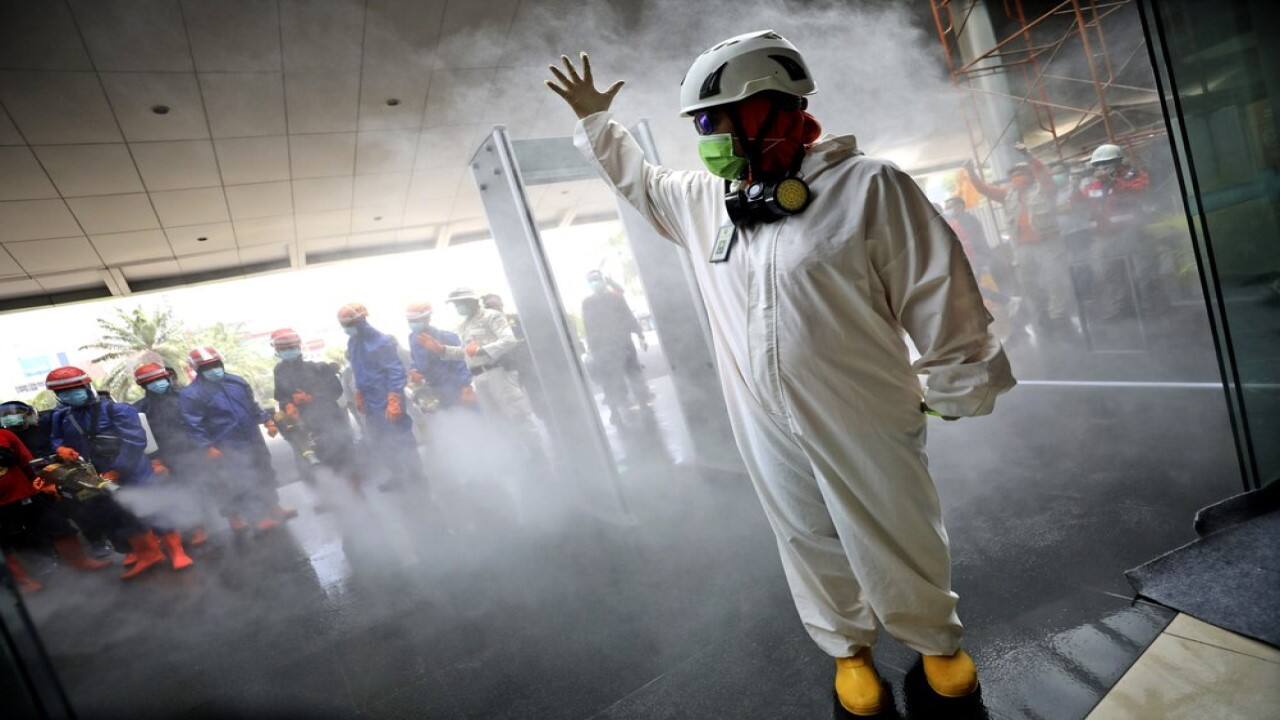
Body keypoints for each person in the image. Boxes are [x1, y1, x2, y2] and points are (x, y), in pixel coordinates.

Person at [548, 31, 1014, 714]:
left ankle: (936, 647)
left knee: (896, 524)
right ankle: (848, 652)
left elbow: (936, 288)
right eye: (698, 126)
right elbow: (641, 184)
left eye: (711, 121)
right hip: (761, 417)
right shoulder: (709, 200)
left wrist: (955, 382)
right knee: (803, 532)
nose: (705, 140)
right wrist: (596, 120)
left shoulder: (868, 187)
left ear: (769, 109)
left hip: (862, 405)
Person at [45, 366, 168, 579]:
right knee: (116, 515)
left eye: (74, 389)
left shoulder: (116, 409)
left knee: (140, 512)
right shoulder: (62, 417)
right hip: (97, 475)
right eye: (63, 392)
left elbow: (134, 441)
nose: (70, 395)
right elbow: (56, 438)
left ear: (86, 386)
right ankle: (142, 553)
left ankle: (155, 553)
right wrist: (60, 449)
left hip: (130, 472)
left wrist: (118, 470)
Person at [965, 146, 1074, 338]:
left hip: (1048, 244)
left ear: (1030, 175)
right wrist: (971, 173)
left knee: (1054, 280)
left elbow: (1043, 173)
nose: (1017, 177)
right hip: (1023, 248)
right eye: (1014, 174)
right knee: (1029, 283)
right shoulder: (1008, 195)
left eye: (1021, 173)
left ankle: (1059, 317)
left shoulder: (1044, 189)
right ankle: (1042, 315)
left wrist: (1029, 156)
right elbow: (984, 189)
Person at [179, 347, 290, 532]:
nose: (214, 369)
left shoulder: (236, 382)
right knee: (242, 480)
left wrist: (267, 420)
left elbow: (252, 406)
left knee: (265, 471)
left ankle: (274, 507)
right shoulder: (191, 394)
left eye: (215, 364)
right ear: (198, 370)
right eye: (207, 367)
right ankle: (258, 517)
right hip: (227, 444)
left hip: (252, 437)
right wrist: (207, 447)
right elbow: (193, 424)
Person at [1, 427, 110, 592]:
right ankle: (23, 582)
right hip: (2, 507)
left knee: (59, 526)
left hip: (28, 494)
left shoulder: (5, 435)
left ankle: (80, 562)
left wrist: (45, 484)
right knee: (12, 543)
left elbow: (29, 463)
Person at [440, 289, 540, 448]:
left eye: (460, 303)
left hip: (498, 372)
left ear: (472, 301)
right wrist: (443, 350)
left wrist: (481, 350)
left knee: (518, 416)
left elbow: (509, 340)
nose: (458, 307)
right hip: (479, 377)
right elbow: (467, 353)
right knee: (498, 422)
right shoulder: (465, 325)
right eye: (456, 304)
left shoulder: (492, 316)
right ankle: (518, 458)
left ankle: (537, 455)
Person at [338, 304, 423, 489]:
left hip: (387, 397)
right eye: (344, 325)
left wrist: (394, 398)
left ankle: (416, 475)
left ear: (361, 321)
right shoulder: (353, 343)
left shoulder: (381, 341)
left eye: (350, 323)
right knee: (379, 440)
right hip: (369, 401)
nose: (347, 328)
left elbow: (395, 371)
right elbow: (358, 370)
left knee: (401, 437)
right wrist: (359, 392)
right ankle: (397, 474)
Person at [269, 328, 362, 494]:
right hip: (303, 422)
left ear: (298, 347)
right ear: (276, 350)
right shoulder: (279, 371)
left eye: (290, 347)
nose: (287, 351)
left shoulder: (317, 368)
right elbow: (280, 396)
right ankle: (330, 493)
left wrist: (312, 398)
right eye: (283, 349)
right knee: (316, 457)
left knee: (342, 451)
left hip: (328, 417)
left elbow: (336, 390)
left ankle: (354, 486)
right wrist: (288, 404)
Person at [131, 363, 200, 567]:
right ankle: (191, 528)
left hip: (194, 450)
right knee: (178, 493)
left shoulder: (185, 396)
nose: (157, 383)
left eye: (159, 379)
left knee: (200, 487)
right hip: (166, 458)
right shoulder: (140, 408)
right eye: (151, 382)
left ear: (167, 377)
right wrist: (156, 460)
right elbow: (143, 438)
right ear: (143, 385)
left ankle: (200, 527)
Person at [1080, 143, 1153, 321]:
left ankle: (1150, 306)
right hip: (1105, 236)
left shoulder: (1133, 177)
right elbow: (1083, 201)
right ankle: (1121, 308)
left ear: (1119, 162)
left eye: (1107, 163)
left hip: (1131, 232)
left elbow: (1140, 189)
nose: (1102, 168)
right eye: (1098, 165)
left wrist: (1115, 182)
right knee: (1111, 273)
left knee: (1140, 271)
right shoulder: (1094, 185)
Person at [580, 270, 652, 426]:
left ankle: (642, 402)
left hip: (623, 343)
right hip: (603, 347)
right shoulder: (587, 303)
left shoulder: (615, 298)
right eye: (591, 281)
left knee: (633, 373)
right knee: (610, 380)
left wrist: (641, 336)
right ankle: (614, 411)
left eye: (597, 279)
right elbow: (588, 326)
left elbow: (628, 317)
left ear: (603, 281)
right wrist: (591, 347)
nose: (595, 283)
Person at [481, 294, 550, 424]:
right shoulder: (486, 329)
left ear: (502, 304)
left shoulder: (516, 319)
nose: (495, 308)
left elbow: (529, 339)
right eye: (490, 306)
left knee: (539, 399)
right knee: (516, 407)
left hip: (526, 366)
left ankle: (546, 420)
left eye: (497, 305)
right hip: (506, 371)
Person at [405, 303, 475, 410]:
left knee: (470, 418)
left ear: (427, 319)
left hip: (455, 387)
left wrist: (466, 387)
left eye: (417, 320)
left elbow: (462, 363)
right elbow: (415, 360)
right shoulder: (413, 339)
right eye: (411, 321)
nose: (413, 324)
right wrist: (414, 371)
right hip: (434, 389)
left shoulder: (446, 337)